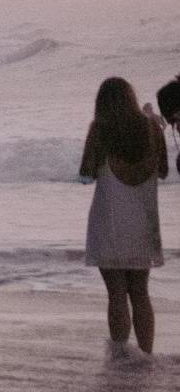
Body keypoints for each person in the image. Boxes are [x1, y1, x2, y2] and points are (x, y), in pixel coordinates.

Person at [78, 77, 168, 365]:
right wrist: (151, 121)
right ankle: (146, 355)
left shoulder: (100, 129)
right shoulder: (153, 128)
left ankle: (120, 355)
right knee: (140, 291)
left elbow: (86, 174)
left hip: (110, 220)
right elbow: (164, 171)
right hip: (144, 222)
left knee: (116, 292)